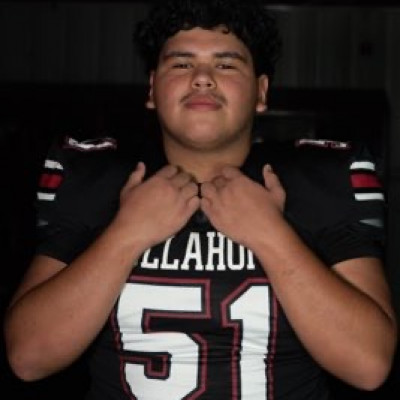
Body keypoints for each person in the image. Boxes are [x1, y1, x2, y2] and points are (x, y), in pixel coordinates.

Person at [4, 0, 397, 399]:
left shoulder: (319, 179)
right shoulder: (99, 178)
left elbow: (368, 364)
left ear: (261, 92)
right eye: (181, 63)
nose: (203, 79)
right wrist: (126, 234)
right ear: (152, 88)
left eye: (226, 65)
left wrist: (271, 236)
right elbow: (29, 357)